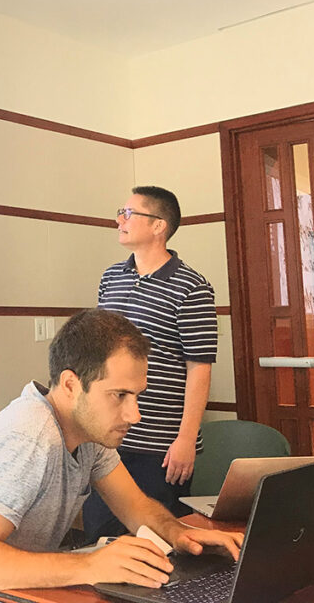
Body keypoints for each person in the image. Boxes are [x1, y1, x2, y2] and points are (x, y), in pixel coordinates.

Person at [0, 308, 242, 603]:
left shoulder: (87, 431)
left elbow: (135, 506)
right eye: (119, 395)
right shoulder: (30, 435)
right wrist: (91, 565)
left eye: (136, 395)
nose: (134, 414)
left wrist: (179, 532)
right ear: (70, 385)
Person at [83, 186, 217, 541]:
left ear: (159, 225)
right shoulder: (111, 277)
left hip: (160, 444)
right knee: (99, 536)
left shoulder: (192, 287)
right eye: (120, 212)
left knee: (155, 540)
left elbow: (200, 367)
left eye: (128, 213)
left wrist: (186, 439)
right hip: (107, 438)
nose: (119, 220)